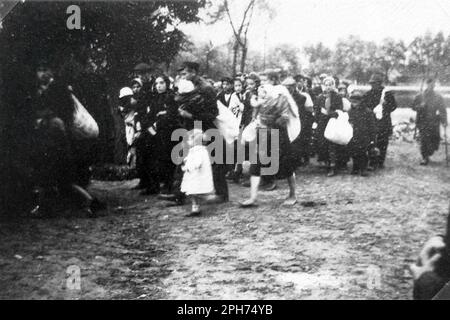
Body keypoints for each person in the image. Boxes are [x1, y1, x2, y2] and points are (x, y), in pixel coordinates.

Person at [240, 70, 299, 208]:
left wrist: (271, 121)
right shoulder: (262, 93)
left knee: (286, 165)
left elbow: (285, 117)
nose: (262, 83)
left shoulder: (281, 95)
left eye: (265, 80)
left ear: (273, 80)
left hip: (278, 133)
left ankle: (292, 194)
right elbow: (256, 109)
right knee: (256, 163)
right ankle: (252, 197)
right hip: (263, 131)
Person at [177, 61, 229, 204]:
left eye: (185, 73)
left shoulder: (206, 88)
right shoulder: (187, 86)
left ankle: (222, 194)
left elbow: (213, 113)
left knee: (217, 158)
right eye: (182, 74)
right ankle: (179, 194)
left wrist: (191, 116)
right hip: (191, 126)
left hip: (205, 126)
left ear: (194, 72)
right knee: (184, 157)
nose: (183, 76)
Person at [362, 73, 397, 169]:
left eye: (375, 83)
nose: (373, 85)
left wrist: (385, 106)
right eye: (372, 83)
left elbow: (394, 106)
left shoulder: (387, 94)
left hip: (384, 122)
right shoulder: (368, 94)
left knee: (383, 142)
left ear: (379, 83)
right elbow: (363, 106)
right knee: (372, 142)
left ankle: (381, 161)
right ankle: (373, 162)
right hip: (372, 121)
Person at [412, 78, 448, 165]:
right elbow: (413, 107)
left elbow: (442, 110)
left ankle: (429, 153)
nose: (432, 87)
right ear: (427, 85)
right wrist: (420, 106)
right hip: (422, 121)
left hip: (434, 121)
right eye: (430, 85)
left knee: (434, 141)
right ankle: (424, 157)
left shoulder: (438, 97)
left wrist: (444, 121)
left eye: (433, 85)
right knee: (424, 140)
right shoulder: (420, 96)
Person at [313, 76, 345, 177]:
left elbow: (340, 110)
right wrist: (319, 119)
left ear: (333, 85)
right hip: (322, 123)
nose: (328, 87)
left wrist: (330, 113)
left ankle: (333, 166)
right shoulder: (319, 97)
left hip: (332, 122)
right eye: (326, 85)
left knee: (332, 144)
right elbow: (316, 111)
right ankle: (327, 163)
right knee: (323, 144)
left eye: (330, 85)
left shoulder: (337, 97)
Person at [180, 129, 215, 217]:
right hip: (195, 175)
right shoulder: (198, 150)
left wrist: (188, 167)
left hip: (196, 176)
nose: (187, 142)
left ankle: (197, 206)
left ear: (195, 140)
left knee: (194, 192)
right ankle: (195, 208)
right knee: (193, 193)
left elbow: (198, 163)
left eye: (189, 140)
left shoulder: (198, 150)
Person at [347, 91, 377, 176]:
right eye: (352, 102)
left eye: (356, 102)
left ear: (361, 102)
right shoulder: (350, 111)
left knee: (363, 153)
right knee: (354, 152)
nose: (354, 104)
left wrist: (372, 139)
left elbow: (372, 126)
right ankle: (355, 168)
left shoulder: (367, 112)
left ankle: (363, 168)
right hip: (353, 134)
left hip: (364, 135)